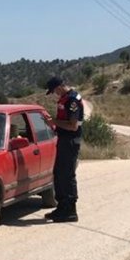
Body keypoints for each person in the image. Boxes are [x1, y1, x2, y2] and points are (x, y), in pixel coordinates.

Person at [44, 75, 83, 222]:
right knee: (59, 173)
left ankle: (70, 210)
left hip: (70, 141)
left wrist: (53, 121)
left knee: (67, 175)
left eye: (54, 90)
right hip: (63, 139)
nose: (55, 94)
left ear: (60, 87)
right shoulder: (65, 98)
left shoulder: (72, 100)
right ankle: (61, 207)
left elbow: (73, 126)